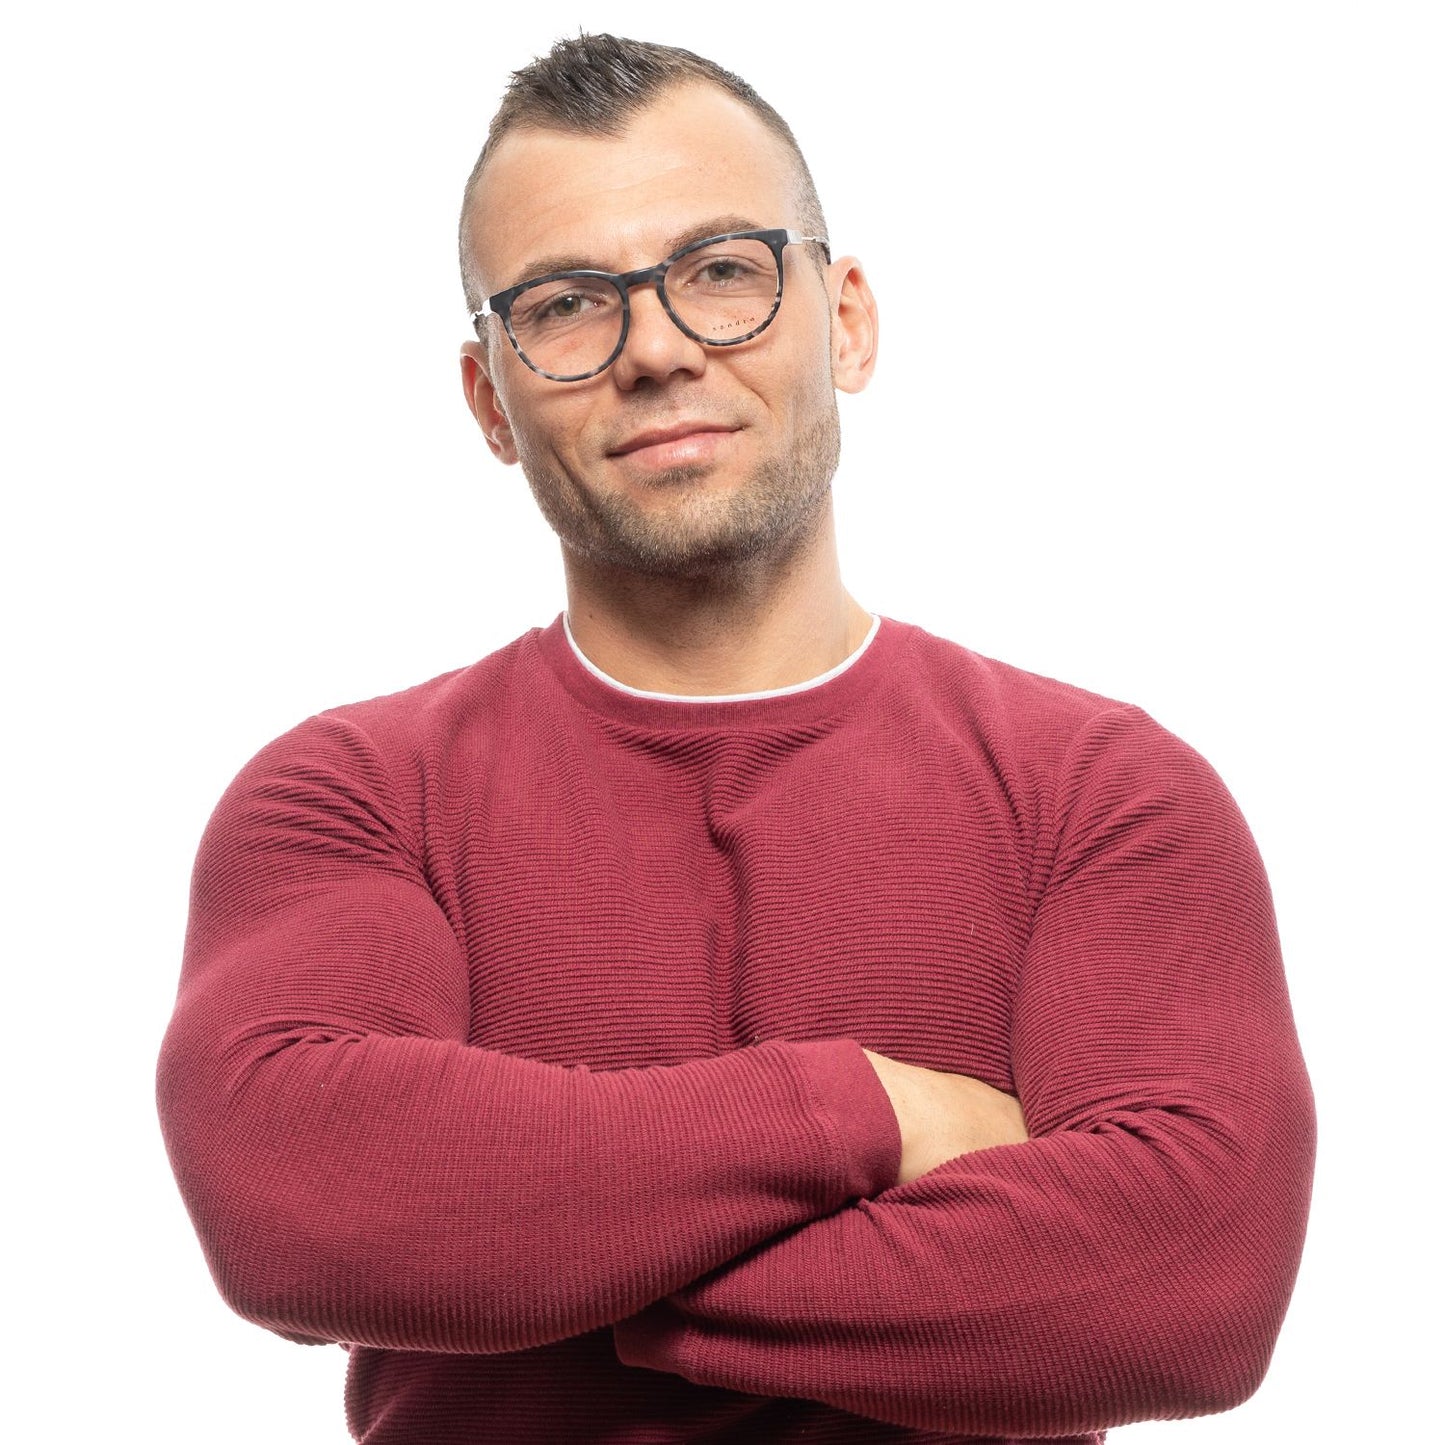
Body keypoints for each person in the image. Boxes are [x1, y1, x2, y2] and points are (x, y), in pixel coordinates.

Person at [157, 33, 1315, 1445]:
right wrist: (869, 1111)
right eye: (565, 305)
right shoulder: (345, 800)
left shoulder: (1105, 795)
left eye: (719, 271)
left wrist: (545, 1251)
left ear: (847, 321)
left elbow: (1187, 1291)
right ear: (489, 401)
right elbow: (299, 1206)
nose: (655, 349)